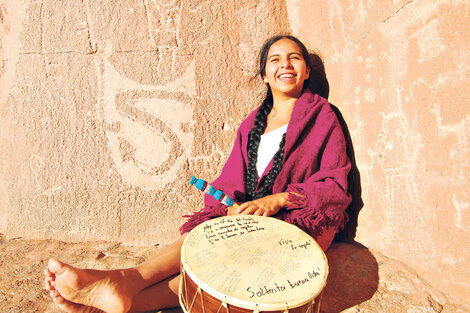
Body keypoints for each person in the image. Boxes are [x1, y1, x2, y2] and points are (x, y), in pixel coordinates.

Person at [44, 35, 352, 313]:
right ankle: (129, 280)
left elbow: (335, 182)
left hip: (298, 217)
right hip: (250, 217)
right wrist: (230, 207)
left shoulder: (323, 116)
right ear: (264, 75)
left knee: (237, 262)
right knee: (207, 235)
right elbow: (230, 179)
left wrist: (281, 199)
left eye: (294, 57)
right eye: (275, 60)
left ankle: (124, 297)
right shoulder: (251, 125)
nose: (285, 65)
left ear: (307, 71)